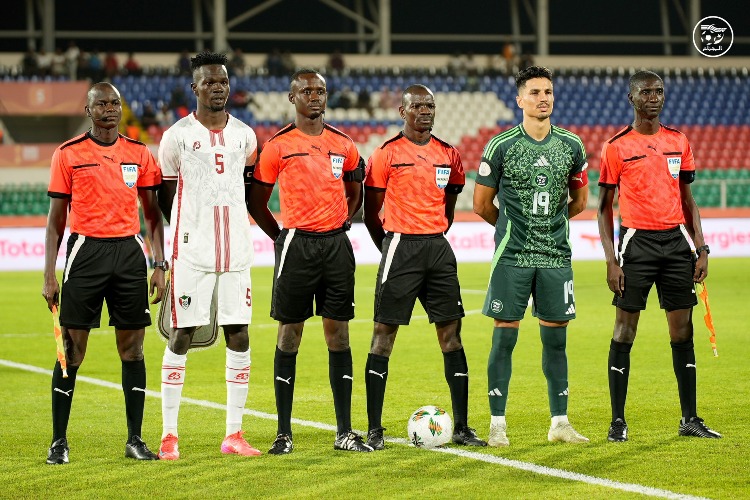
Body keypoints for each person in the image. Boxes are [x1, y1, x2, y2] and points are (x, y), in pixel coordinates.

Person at [42, 82, 166, 464]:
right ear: (88, 110)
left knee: (133, 349)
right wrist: (49, 274)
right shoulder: (68, 154)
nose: (110, 109)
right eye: (102, 104)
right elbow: (54, 222)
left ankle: (135, 440)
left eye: (115, 103)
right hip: (86, 252)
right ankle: (58, 442)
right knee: (71, 350)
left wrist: (159, 264)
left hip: (129, 253)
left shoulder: (139, 153)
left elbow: (152, 215)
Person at [249, 68, 370, 454]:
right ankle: (283, 434)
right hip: (297, 245)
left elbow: (356, 190)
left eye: (320, 90)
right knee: (290, 334)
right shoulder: (277, 146)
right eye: (306, 91)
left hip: (336, 247)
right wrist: (280, 237)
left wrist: (344, 217)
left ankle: (345, 432)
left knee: (340, 335)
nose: (315, 96)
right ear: (292, 97)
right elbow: (256, 201)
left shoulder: (344, 144)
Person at [597, 70, 721, 442]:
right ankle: (618, 421)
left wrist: (701, 248)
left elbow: (688, 200)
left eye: (659, 91)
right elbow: (603, 208)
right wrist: (611, 260)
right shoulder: (616, 146)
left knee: (683, 331)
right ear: (631, 98)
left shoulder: (678, 141)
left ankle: (690, 419)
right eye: (646, 92)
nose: (654, 97)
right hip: (637, 245)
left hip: (677, 245)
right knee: (624, 331)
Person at [362, 84, 487, 450]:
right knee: (383, 336)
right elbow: (370, 214)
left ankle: (462, 427)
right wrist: (390, 247)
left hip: (438, 249)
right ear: (403, 112)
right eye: (417, 106)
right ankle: (374, 430)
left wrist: (434, 234)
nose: (425, 111)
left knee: (452, 336)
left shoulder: (449, 154)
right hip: (400, 246)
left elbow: (450, 206)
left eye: (429, 105)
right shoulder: (386, 153)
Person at [473, 66, 590, 447]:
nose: (544, 98)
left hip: (556, 256)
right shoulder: (501, 146)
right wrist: (513, 227)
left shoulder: (571, 145)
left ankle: (560, 423)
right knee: (504, 339)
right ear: (520, 99)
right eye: (535, 92)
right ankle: (497, 424)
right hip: (513, 256)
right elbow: (481, 204)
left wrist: (549, 225)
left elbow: (580, 202)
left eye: (548, 92)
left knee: (556, 341)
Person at [156, 50, 262, 460]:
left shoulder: (245, 135)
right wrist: (187, 233)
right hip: (192, 251)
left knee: (239, 331)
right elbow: (167, 195)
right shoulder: (177, 136)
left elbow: (245, 186)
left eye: (223, 81)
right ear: (195, 87)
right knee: (182, 333)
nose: (218, 88)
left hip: (236, 250)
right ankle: (169, 434)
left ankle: (234, 433)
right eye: (209, 82)